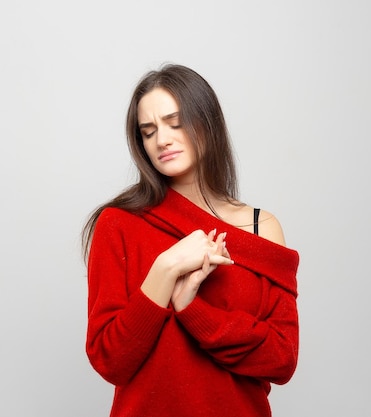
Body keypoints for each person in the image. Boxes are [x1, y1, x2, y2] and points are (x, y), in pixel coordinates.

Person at [82, 64, 300, 417]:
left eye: (175, 122)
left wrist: (191, 309)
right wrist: (165, 268)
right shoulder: (118, 224)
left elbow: (282, 360)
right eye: (148, 131)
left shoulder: (262, 226)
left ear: (206, 123)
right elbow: (111, 360)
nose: (161, 140)